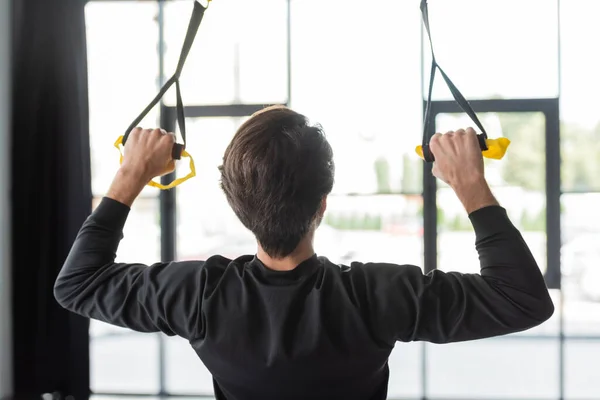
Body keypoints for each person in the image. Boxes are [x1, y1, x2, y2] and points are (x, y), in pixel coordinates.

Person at [54, 105, 554, 400]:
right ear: (323, 204)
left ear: (235, 204)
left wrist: (129, 175)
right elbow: (523, 299)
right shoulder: (377, 296)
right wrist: (470, 186)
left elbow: (77, 283)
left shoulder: (198, 295)